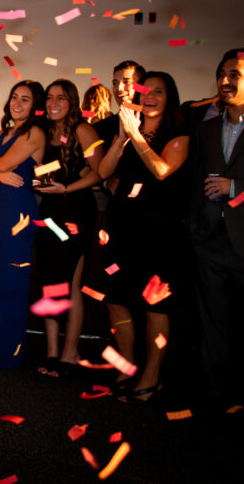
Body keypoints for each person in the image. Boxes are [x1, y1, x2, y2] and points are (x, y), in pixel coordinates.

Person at [99, 71, 189, 403]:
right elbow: (105, 172)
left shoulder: (177, 135)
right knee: (116, 300)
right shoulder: (128, 131)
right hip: (122, 234)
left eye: (158, 92)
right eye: (144, 91)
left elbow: (163, 170)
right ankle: (127, 366)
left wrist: (136, 136)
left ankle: (152, 378)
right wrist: (122, 139)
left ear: (170, 98)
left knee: (155, 306)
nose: (149, 96)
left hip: (159, 236)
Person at [0, 80, 47, 369]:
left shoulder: (35, 132)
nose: (17, 103)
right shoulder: (3, 132)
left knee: (10, 284)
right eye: (14, 97)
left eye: (25, 99)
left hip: (17, 215)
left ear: (35, 106)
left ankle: (4, 354)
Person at [188, 48, 244, 412]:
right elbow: (194, 183)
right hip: (208, 241)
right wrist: (195, 228)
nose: (225, 81)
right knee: (214, 326)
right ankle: (218, 400)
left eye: (235, 74)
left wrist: (235, 188)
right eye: (221, 73)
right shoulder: (206, 128)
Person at [34, 79, 101, 377]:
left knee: (71, 284)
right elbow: (45, 170)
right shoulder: (44, 132)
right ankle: (51, 351)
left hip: (75, 210)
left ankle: (70, 351)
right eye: (49, 98)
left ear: (72, 102)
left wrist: (66, 188)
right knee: (50, 281)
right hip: (48, 212)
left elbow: (99, 173)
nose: (53, 103)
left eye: (60, 98)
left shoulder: (83, 130)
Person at [95, 61, 145, 151]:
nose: (119, 88)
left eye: (126, 82)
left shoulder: (154, 123)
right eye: (115, 83)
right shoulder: (101, 128)